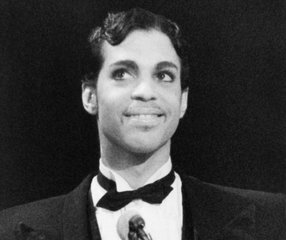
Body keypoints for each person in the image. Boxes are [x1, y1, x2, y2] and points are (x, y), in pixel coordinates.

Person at [0, 7, 285, 240]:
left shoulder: (274, 221)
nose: (145, 91)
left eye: (163, 75)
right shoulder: (10, 230)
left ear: (182, 101)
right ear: (90, 96)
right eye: (123, 73)